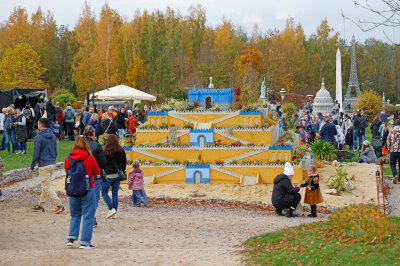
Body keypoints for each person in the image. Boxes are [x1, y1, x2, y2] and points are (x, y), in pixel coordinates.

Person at [64, 137, 100, 249]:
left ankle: (71, 237)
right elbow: (97, 171)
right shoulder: (89, 158)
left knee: (74, 214)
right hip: (88, 189)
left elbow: (67, 170)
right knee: (88, 216)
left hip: (73, 189)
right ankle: (85, 242)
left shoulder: (68, 158)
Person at [30, 117, 65, 213]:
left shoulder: (39, 137)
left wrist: (32, 166)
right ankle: (40, 204)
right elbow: (55, 150)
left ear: (40, 125)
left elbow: (36, 153)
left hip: (44, 164)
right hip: (52, 163)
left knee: (46, 186)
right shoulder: (53, 135)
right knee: (45, 185)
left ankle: (59, 204)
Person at [83, 126, 106, 227]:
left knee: (85, 197)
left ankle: (91, 218)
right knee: (95, 199)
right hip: (94, 176)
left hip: (82, 175)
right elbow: (103, 162)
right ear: (93, 134)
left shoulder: (80, 145)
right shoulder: (97, 146)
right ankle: (90, 218)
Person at [101, 134, 126, 219]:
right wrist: (121, 170)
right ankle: (114, 212)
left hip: (108, 175)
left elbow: (102, 164)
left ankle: (111, 209)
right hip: (117, 175)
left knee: (104, 193)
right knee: (115, 194)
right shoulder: (121, 150)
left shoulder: (105, 152)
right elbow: (124, 163)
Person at [387, 119, 400, 183]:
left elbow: (388, 141)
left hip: (393, 150)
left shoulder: (392, 131)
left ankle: (395, 175)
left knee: (392, 164)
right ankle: (399, 179)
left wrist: (389, 149)